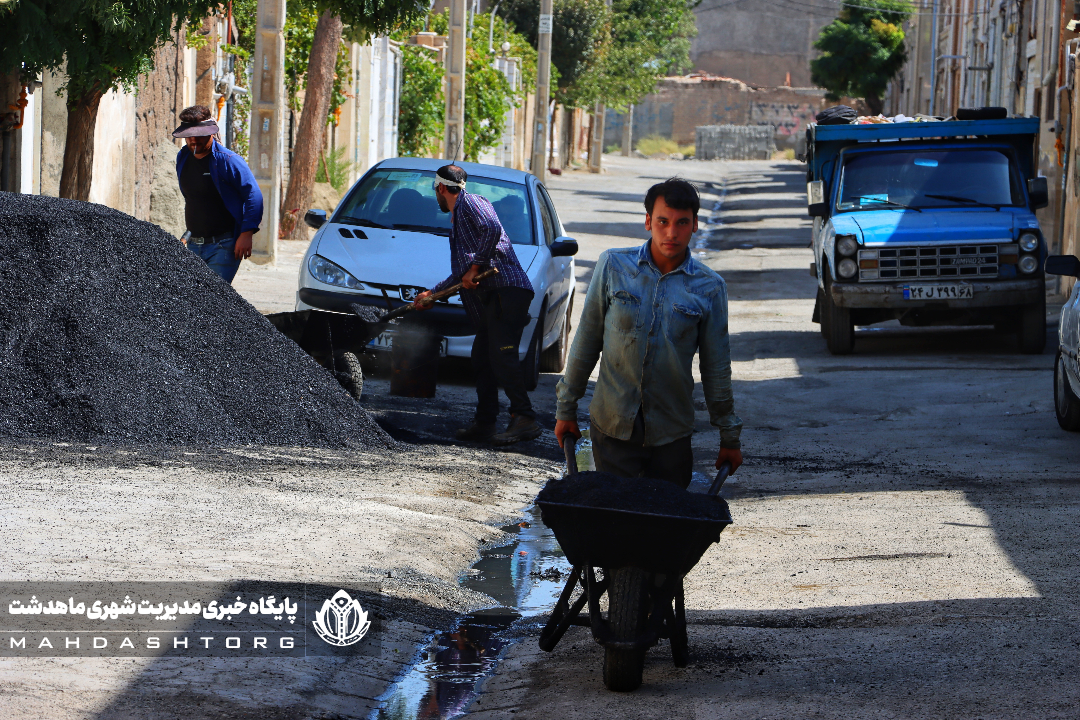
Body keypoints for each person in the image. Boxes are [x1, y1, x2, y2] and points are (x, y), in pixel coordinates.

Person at [553, 178, 743, 487]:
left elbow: (716, 369)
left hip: (671, 435)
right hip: (612, 426)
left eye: (682, 223)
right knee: (617, 522)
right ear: (647, 222)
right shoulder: (613, 266)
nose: (671, 232)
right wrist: (566, 409)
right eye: (662, 221)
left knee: (664, 526)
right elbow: (586, 341)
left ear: (695, 224)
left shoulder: (709, 288)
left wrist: (729, 436)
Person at [413, 164, 542, 446]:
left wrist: (476, 266)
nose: (437, 195)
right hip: (496, 296)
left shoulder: (470, 201)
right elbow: (462, 274)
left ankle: (525, 418)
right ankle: (485, 422)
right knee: (482, 358)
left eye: (436, 190)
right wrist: (431, 295)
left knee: (502, 355)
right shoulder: (460, 216)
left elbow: (493, 229)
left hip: (507, 291)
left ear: (441, 188)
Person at [172, 105, 263, 284]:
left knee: (212, 301)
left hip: (224, 246)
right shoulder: (182, 158)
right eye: (189, 135)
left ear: (210, 133)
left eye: (199, 134)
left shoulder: (228, 161)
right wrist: (187, 235)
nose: (193, 140)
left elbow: (254, 196)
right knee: (189, 302)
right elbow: (194, 200)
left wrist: (246, 233)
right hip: (193, 246)